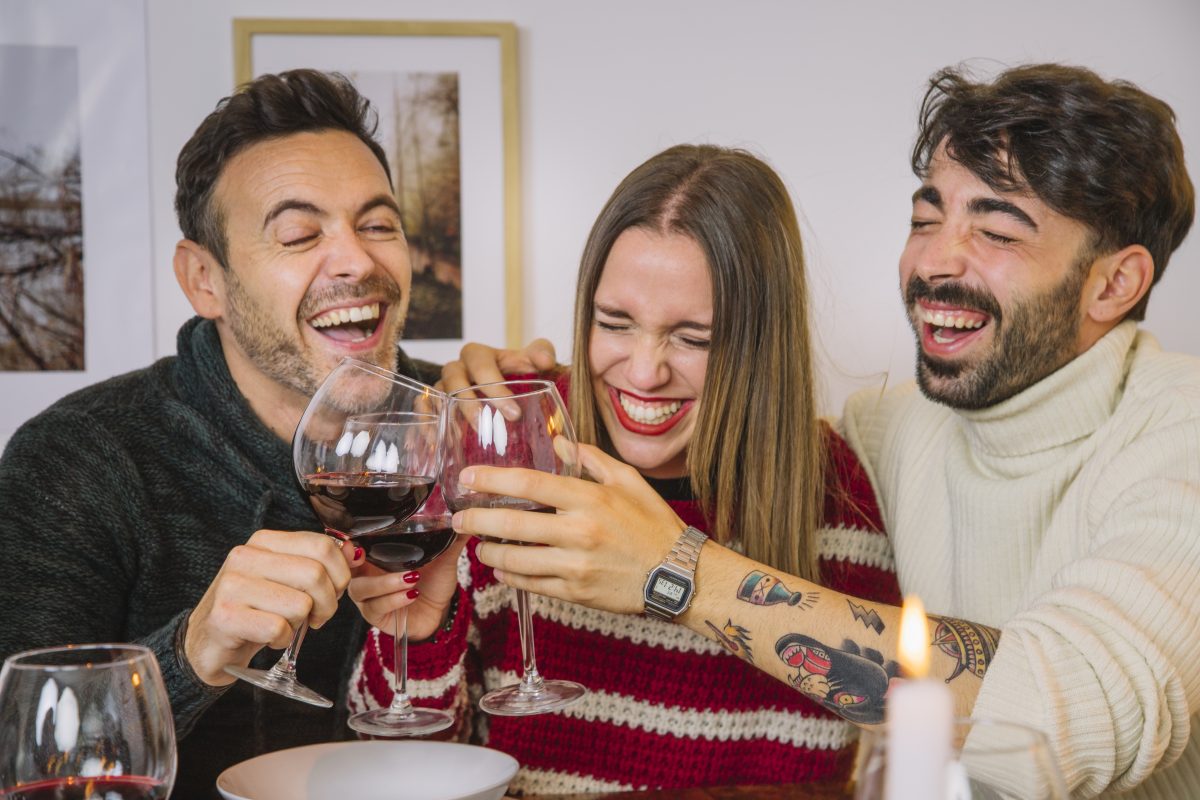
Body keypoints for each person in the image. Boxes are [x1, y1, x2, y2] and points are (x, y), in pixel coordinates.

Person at [434, 64, 1200, 798]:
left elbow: (1072, 729)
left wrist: (672, 571)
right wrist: (519, 390)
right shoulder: (885, 433)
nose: (932, 260)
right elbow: (720, 413)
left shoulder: (1181, 428)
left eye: (996, 232)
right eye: (925, 217)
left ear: (1115, 282)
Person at [346, 145, 901, 795]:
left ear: (760, 346)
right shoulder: (505, 440)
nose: (643, 372)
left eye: (694, 338)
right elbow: (394, 773)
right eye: (615, 323)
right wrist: (423, 637)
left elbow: (908, 721)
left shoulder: (841, 498)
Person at [0, 69, 447, 798]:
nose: (358, 262)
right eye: (300, 234)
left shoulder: (455, 419)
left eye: (378, 225)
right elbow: (21, 763)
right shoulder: (77, 460)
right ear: (204, 279)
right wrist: (188, 653)